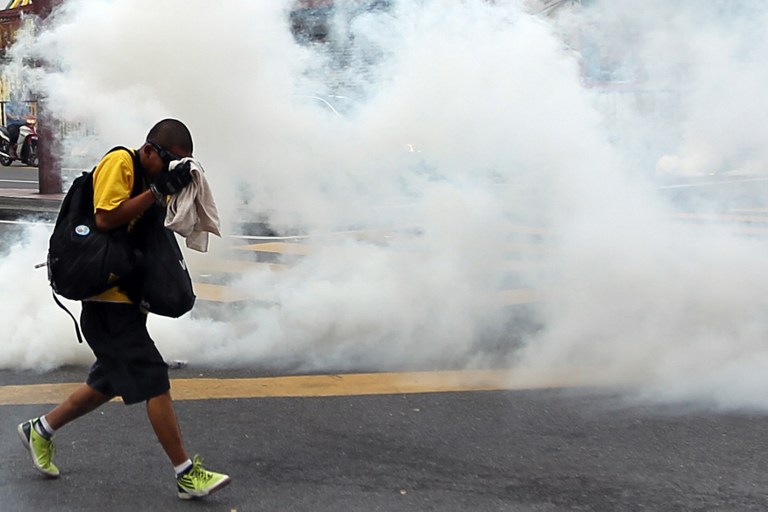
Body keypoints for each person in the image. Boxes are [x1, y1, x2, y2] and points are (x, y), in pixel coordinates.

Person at [16, 119, 231, 500]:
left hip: (126, 296)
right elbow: (105, 218)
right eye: (166, 161)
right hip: (104, 300)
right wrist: (156, 190)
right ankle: (185, 474)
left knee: (107, 382)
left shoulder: (153, 178)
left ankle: (41, 430)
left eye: (177, 166)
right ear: (149, 150)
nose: (168, 170)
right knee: (152, 378)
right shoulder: (122, 163)